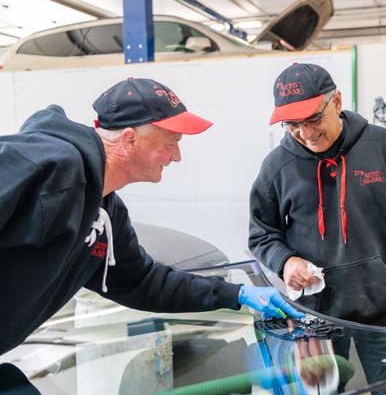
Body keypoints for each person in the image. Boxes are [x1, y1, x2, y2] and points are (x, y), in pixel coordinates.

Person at [0, 78, 303, 393]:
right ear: (130, 139)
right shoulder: (46, 163)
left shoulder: (106, 213)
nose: (177, 157)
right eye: (171, 142)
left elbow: (142, 282)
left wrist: (236, 296)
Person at [248, 63, 386, 394]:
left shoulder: (383, 148)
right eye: (293, 124)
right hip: (314, 318)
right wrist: (286, 261)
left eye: (313, 119)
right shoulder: (278, 166)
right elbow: (261, 232)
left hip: (383, 311)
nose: (307, 134)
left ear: (335, 102)